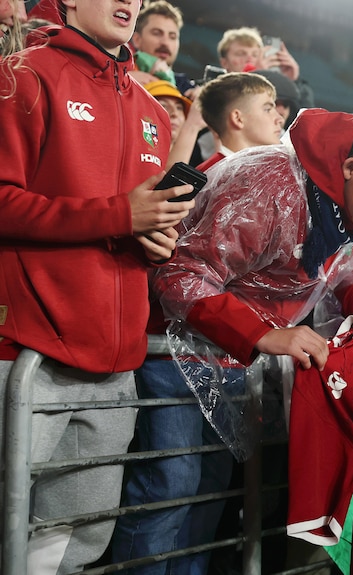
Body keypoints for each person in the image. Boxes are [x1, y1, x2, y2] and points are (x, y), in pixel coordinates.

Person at [0, 0, 195, 571]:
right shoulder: (23, 77)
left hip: (114, 371)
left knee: (70, 545)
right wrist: (118, 216)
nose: (127, 2)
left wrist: (156, 240)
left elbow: (132, 218)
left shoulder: (151, 109)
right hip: (25, 355)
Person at [113, 71, 285, 575]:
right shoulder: (205, 178)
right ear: (236, 118)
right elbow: (171, 273)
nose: (279, 114)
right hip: (177, 355)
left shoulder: (276, 179)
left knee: (211, 489)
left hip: (231, 358)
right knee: (172, 484)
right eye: (269, 105)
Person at [194, 72, 284, 172]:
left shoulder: (274, 170)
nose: (280, 119)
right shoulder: (208, 177)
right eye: (267, 109)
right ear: (238, 119)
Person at [129, 1, 192, 92]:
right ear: (137, 40)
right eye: (157, 33)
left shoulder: (187, 91)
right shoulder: (117, 77)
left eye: (172, 37)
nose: (165, 42)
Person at [144, 79, 207, 167]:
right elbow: (166, 180)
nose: (175, 113)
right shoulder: (133, 155)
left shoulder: (196, 160)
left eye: (179, 108)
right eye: (163, 106)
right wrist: (192, 126)